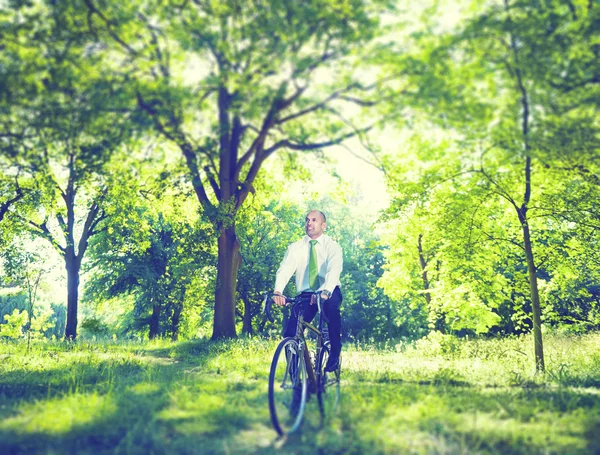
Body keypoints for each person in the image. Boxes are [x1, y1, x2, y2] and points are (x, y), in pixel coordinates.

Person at [273, 209, 343, 373]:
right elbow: (285, 269)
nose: (309, 223)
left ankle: (334, 353)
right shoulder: (295, 247)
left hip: (329, 291)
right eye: (307, 220)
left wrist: (324, 291)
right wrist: (278, 291)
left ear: (323, 225)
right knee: (292, 331)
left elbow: (334, 270)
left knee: (331, 308)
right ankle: (295, 376)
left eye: (313, 220)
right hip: (305, 295)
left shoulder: (332, 246)